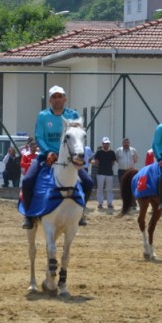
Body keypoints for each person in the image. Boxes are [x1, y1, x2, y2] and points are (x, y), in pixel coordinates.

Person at [21, 85, 94, 229]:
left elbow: (77, 135)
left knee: (88, 182)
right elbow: (39, 136)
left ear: (65, 98)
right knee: (27, 181)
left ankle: (81, 213)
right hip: (46, 155)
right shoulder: (43, 116)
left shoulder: (73, 115)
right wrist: (48, 151)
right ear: (50, 100)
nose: (57, 99)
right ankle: (29, 216)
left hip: (69, 158)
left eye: (60, 96)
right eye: (54, 97)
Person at [92, 137, 117, 209]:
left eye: (108, 143)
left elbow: (113, 162)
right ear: (102, 144)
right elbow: (96, 162)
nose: (106, 145)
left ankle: (109, 203)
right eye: (105, 143)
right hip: (100, 173)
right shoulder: (99, 152)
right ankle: (100, 203)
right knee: (100, 189)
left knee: (109, 189)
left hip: (109, 173)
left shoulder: (112, 152)